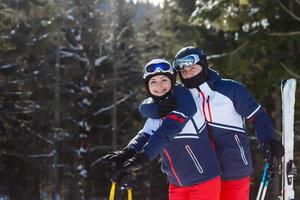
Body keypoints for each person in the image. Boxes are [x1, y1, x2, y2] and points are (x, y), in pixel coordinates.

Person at [139, 47, 285, 200]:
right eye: (184, 71)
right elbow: (148, 102)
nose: (188, 74)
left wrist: (268, 140)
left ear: (204, 66)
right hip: (201, 175)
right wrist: (153, 109)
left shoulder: (230, 90)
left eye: (192, 68)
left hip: (234, 169)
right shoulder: (183, 96)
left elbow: (258, 116)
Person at [95, 58, 222, 200]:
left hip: (203, 181)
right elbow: (145, 134)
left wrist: (140, 159)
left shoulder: (185, 103)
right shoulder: (157, 110)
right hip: (176, 184)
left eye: (164, 80)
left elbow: (165, 133)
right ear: (147, 87)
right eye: (153, 81)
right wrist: (127, 153)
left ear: (172, 81)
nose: (159, 86)